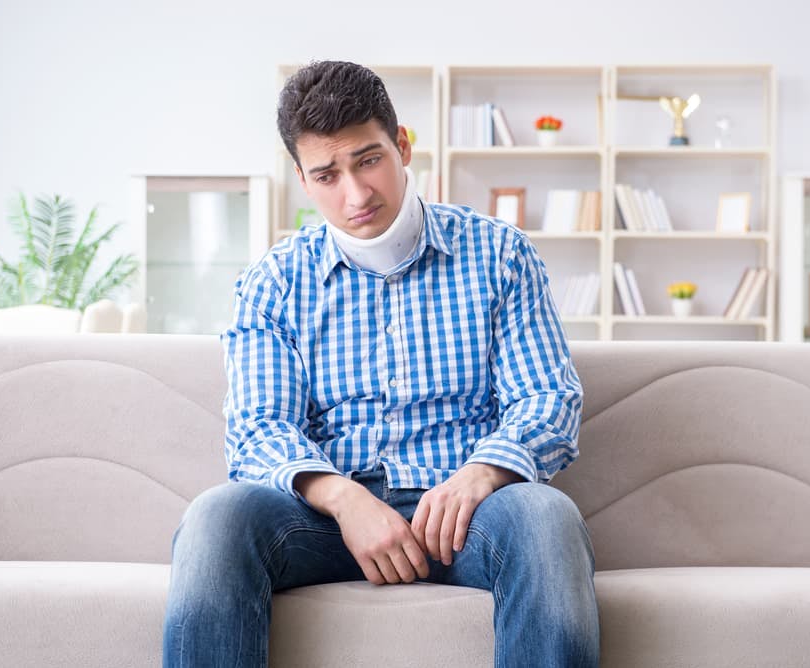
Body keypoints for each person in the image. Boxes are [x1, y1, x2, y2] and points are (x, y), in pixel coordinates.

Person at [162, 60, 599, 668]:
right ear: (302, 180)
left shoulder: (501, 255)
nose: (356, 195)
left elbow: (546, 398)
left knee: (546, 517)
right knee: (215, 519)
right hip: (323, 520)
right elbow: (259, 428)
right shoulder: (273, 282)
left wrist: (480, 475)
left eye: (368, 160)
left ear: (402, 145)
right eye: (327, 174)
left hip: (466, 513)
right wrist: (345, 500)